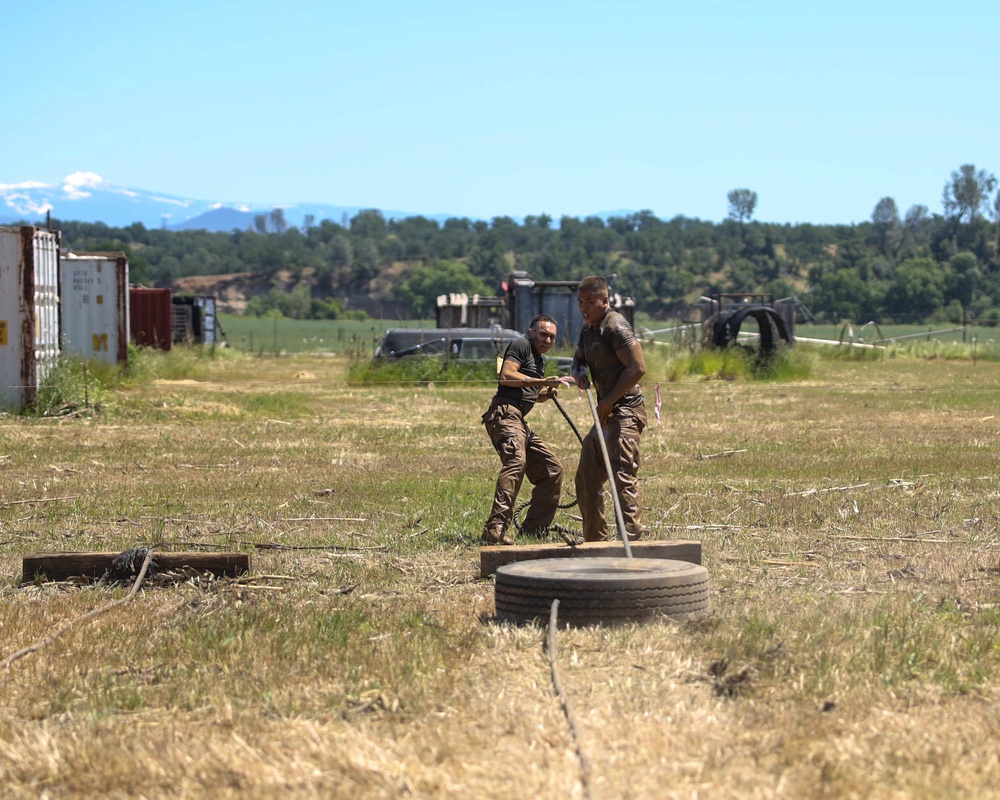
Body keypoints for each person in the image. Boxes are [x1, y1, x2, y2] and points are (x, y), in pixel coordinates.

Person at [481, 315, 573, 546]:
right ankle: (495, 528)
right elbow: (507, 377)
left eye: (552, 336)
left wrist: (546, 393)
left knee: (552, 470)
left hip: (519, 419)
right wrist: (541, 383)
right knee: (516, 461)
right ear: (531, 331)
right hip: (504, 414)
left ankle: (534, 530)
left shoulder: (539, 360)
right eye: (543, 334)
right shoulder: (521, 345)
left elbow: (529, 392)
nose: (548, 340)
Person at [571, 275, 648, 542]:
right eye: (581, 302)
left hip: (625, 411)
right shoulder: (588, 329)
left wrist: (609, 401)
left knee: (622, 477)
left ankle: (632, 542)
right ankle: (595, 542)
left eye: (590, 302)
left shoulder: (615, 326)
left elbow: (637, 368)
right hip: (606, 412)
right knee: (586, 477)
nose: (584, 307)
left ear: (605, 300)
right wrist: (579, 375)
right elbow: (578, 361)